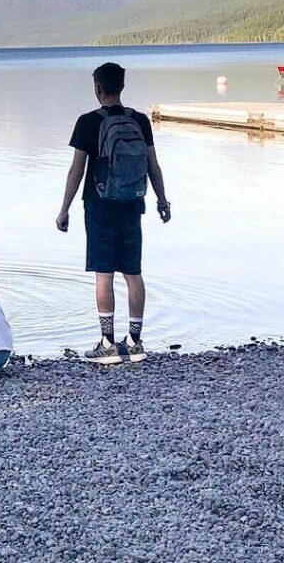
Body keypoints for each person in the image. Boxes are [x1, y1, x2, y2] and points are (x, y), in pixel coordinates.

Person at [55, 62, 171, 364]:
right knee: (133, 273)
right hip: (133, 203)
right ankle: (134, 343)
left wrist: (63, 209)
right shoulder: (140, 121)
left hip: (99, 205)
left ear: (97, 88)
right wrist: (162, 200)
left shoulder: (87, 122)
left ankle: (107, 344)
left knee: (103, 274)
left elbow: (76, 170)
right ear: (121, 86)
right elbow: (152, 165)